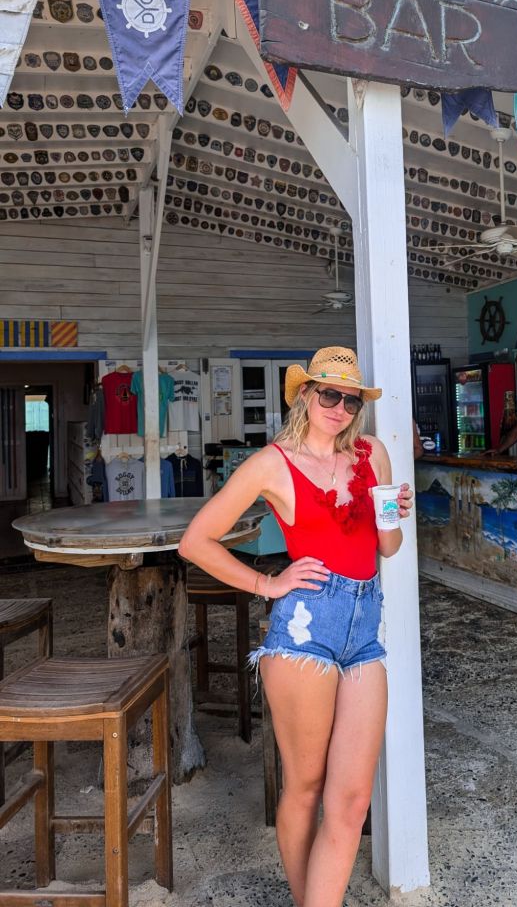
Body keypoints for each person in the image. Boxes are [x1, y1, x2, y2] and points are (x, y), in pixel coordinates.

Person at [179, 346, 413, 907]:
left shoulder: (371, 454)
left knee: (352, 800)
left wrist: (394, 516)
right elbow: (196, 541)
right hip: (305, 632)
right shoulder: (272, 464)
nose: (339, 406)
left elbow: (388, 548)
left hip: (364, 627)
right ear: (305, 397)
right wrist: (268, 584)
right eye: (327, 393)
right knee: (305, 788)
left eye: (350, 398)